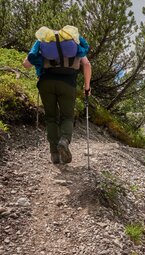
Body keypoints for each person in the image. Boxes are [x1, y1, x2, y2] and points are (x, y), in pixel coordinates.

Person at [23, 26, 91, 164]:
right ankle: (64, 140)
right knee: (67, 116)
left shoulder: (43, 43)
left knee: (51, 118)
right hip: (67, 84)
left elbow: (26, 64)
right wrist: (87, 87)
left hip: (46, 83)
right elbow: (87, 65)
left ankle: (54, 154)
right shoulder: (75, 42)